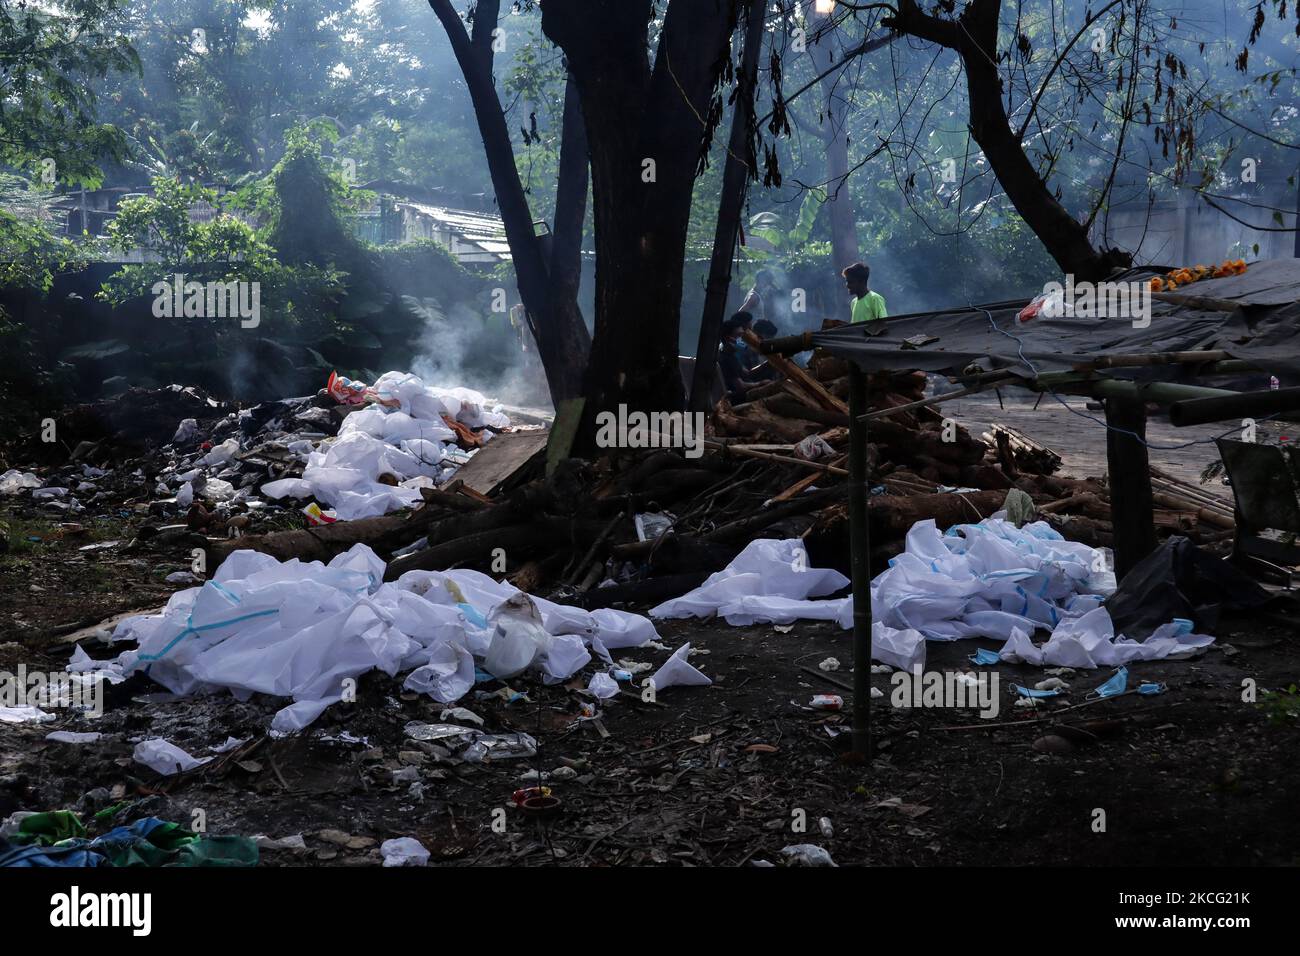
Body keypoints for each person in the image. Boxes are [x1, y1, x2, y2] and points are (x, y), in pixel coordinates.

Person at [718, 311, 763, 402]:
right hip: (739, 397)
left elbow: (746, 372)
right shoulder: (728, 358)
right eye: (739, 335)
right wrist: (760, 384)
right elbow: (740, 386)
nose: (741, 339)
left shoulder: (726, 353)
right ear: (728, 338)